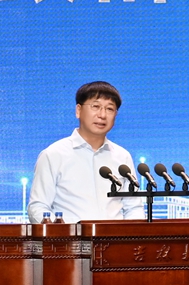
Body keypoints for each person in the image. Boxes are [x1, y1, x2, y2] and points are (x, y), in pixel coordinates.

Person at [27, 81, 144, 224]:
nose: (102, 115)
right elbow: (38, 206)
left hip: (115, 237)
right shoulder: (53, 154)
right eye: (95, 106)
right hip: (70, 237)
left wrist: (130, 234)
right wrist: (60, 231)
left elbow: (134, 207)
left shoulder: (122, 156)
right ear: (78, 110)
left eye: (109, 109)